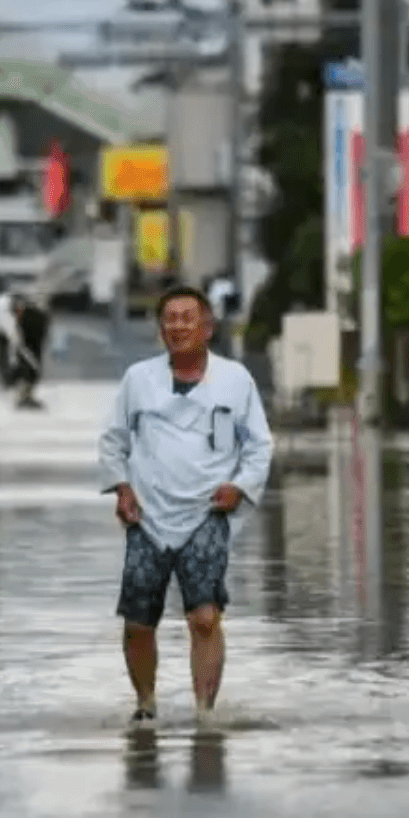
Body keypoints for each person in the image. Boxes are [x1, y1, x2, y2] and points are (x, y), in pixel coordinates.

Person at [98, 285, 273, 726]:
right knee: (138, 620)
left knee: (204, 618)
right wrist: (122, 488)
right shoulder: (139, 379)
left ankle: (204, 713)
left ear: (208, 328)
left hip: (207, 512)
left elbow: (259, 447)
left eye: (187, 318)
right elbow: (113, 442)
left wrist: (239, 487)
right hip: (148, 515)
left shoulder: (236, 380)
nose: (178, 327)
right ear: (161, 329)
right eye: (170, 319)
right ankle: (146, 703)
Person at [12, 294, 51, 410]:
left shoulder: (31, 311)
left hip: (31, 339)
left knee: (30, 366)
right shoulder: (30, 312)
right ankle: (24, 396)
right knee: (29, 367)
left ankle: (26, 396)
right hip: (29, 340)